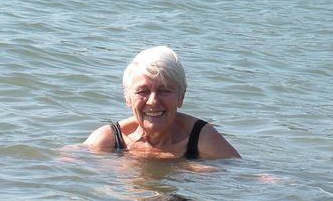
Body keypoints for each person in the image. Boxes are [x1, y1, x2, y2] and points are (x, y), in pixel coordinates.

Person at [84, 46, 240, 160]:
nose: (153, 101)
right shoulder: (110, 140)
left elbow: (245, 174)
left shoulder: (201, 139)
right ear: (127, 98)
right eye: (142, 91)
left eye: (164, 91)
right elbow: (67, 164)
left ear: (181, 96)